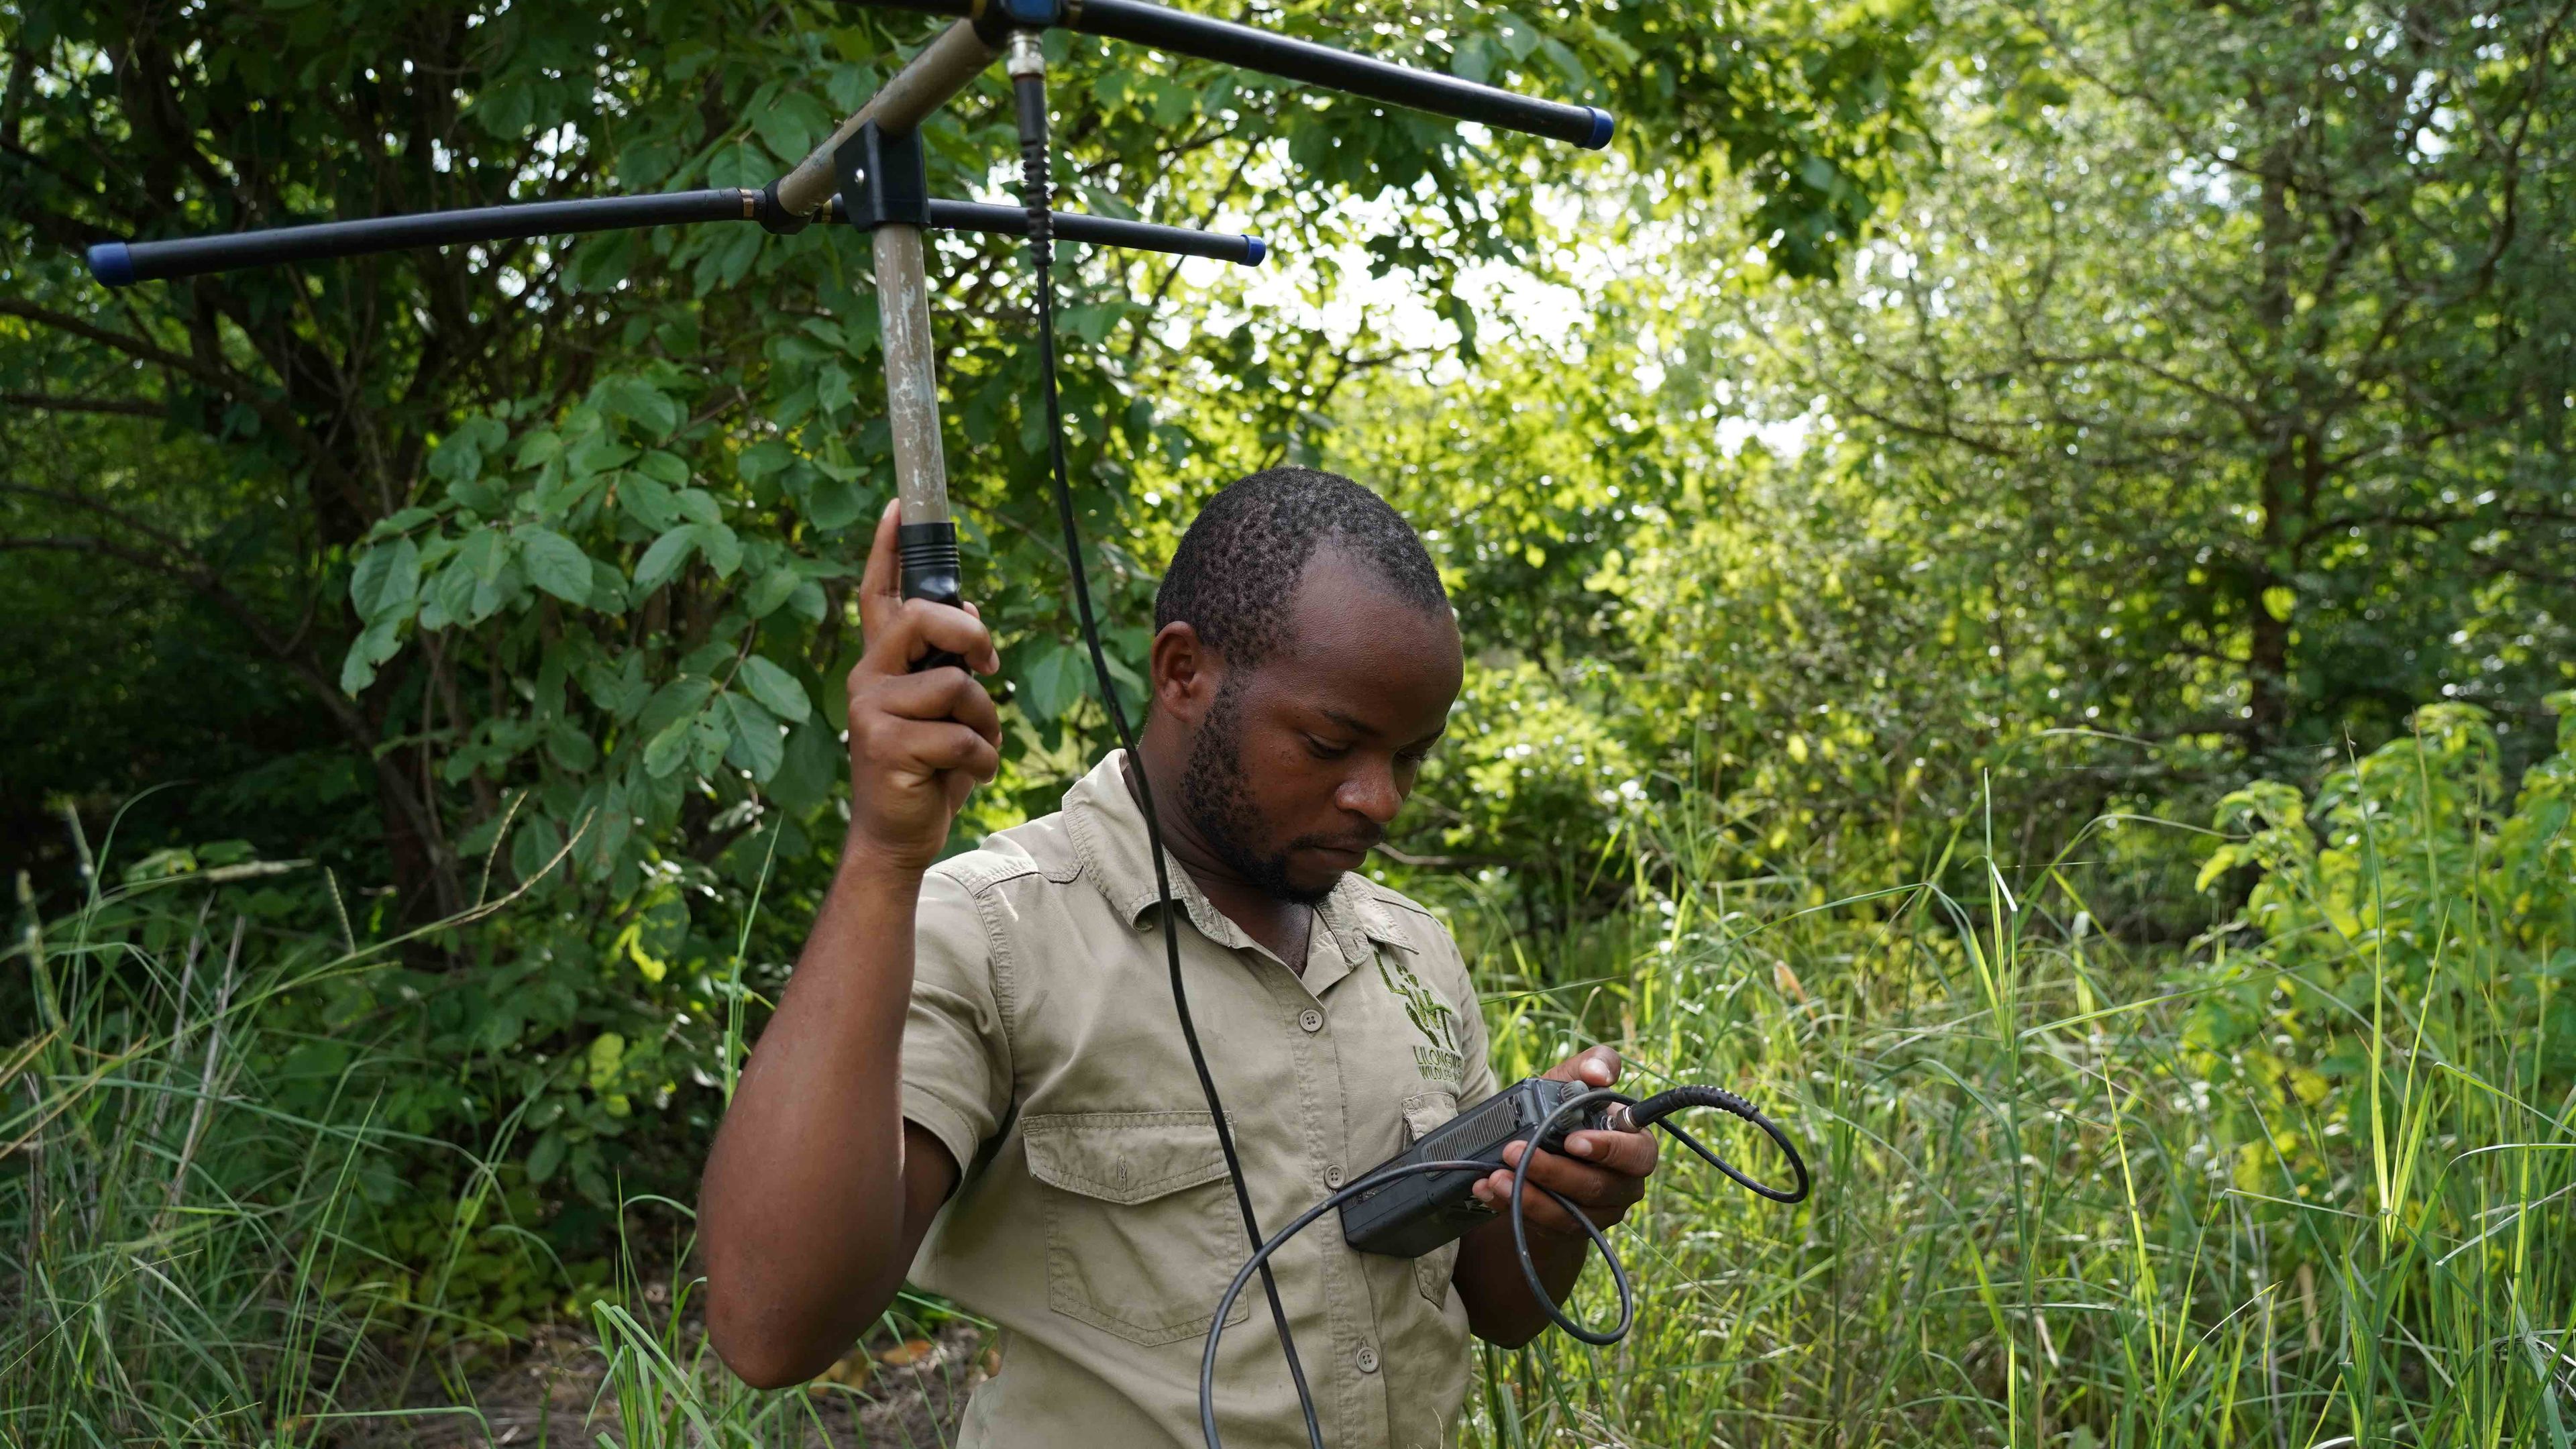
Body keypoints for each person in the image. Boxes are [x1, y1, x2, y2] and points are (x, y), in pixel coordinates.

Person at [698, 467, 1663, 1448]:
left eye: (1411, 756)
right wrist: (882, 858)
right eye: (1332, 744)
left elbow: (1491, 1308)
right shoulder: (992, 933)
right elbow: (771, 1331)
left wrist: (1552, 1205)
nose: (1380, 798)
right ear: (1183, 673)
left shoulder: (1409, 949)